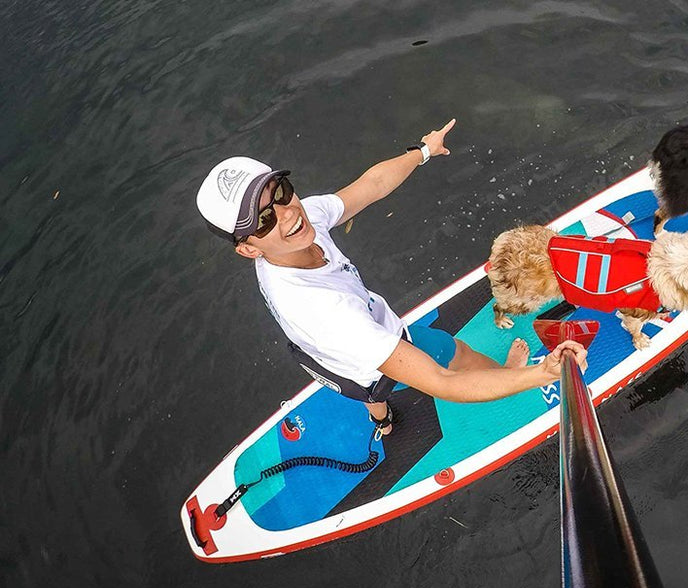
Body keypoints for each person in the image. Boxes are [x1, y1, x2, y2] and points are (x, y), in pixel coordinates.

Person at [196, 119, 585, 436]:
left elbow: (371, 186)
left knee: (366, 386)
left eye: (280, 192)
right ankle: (507, 373)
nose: (286, 213)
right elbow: (444, 382)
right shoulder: (329, 314)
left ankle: (381, 419)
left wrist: (423, 151)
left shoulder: (300, 221)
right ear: (248, 249)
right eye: (263, 219)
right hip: (352, 339)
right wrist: (541, 373)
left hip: (326, 360)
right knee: (454, 355)